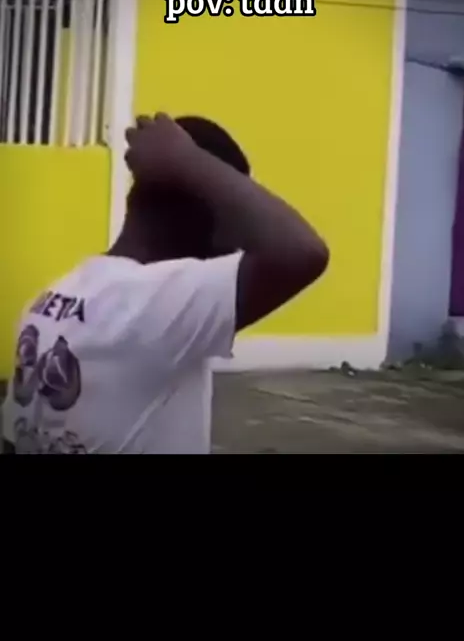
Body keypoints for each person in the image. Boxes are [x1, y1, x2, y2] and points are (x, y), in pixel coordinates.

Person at [2, 113, 329, 454]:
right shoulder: (156, 304)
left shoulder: (51, 299)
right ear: (212, 217)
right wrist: (184, 159)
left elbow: (13, 436)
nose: (238, 244)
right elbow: (303, 253)